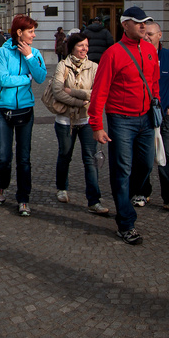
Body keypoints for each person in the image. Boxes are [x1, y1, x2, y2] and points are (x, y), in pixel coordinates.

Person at [88, 7, 161, 245]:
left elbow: (154, 83)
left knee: (145, 166)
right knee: (122, 170)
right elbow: (100, 92)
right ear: (125, 24)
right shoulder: (113, 53)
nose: (143, 26)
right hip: (121, 120)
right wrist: (97, 125)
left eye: (146, 23)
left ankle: (125, 199)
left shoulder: (150, 49)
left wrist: (156, 106)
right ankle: (126, 223)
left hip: (146, 118)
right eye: (138, 23)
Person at [0, 14, 46, 218]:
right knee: (4, 155)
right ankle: (2, 186)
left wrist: (30, 57)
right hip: (3, 110)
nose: (34, 35)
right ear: (19, 32)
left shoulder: (35, 53)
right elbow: (4, 81)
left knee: (24, 158)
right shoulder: (2, 52)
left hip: (26, 109)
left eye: (34, 31)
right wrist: (26, 78)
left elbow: (40, 77)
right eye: (30, 31)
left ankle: (23, 198)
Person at [45, 33, 104, 213]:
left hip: (87, 120)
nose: (84, 49)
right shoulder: (63, 65)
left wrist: (74, 92)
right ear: (72, 47)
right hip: (65, 121)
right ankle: (62, 188)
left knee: (90, 159)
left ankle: (94, 200)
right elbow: (57, 92)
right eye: (80, 46)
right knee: (65, 155)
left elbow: (96, 93)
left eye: (86, 45)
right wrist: (80, 100)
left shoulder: (94, 66)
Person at [144, 20, 169, 210]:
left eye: (150, 34)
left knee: (167, 155)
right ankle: (142, 192)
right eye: (145, 33)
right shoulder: (138, 55)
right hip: (142, 115)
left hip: (164, 114)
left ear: (160, 35)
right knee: (143, 154)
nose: (146, 37)